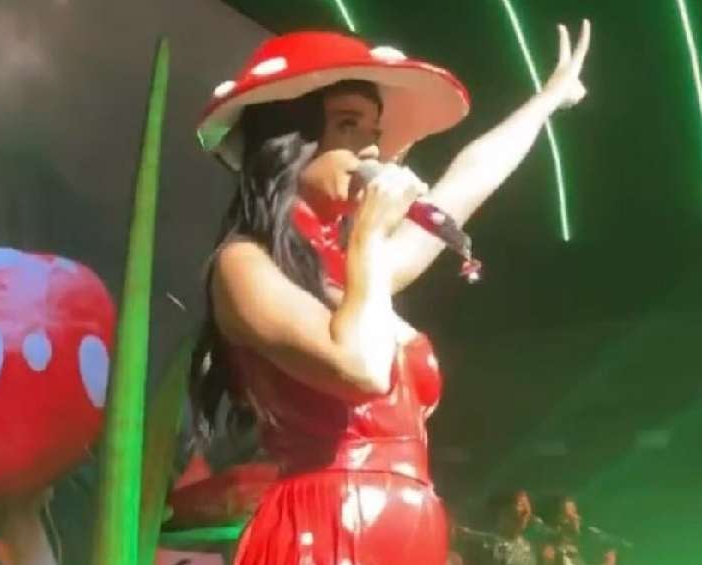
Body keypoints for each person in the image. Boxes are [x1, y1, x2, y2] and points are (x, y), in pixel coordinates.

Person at [189, 21, 591, 565]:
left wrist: (545, 102)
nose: (372, 148)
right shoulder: (244, 264)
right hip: (325, 526)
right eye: (348, 125)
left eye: (375, 131)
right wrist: (370, 237)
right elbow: (361, 369)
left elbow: (468, 179)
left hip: (406, 527)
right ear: (288, 139)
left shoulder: (357, 271)